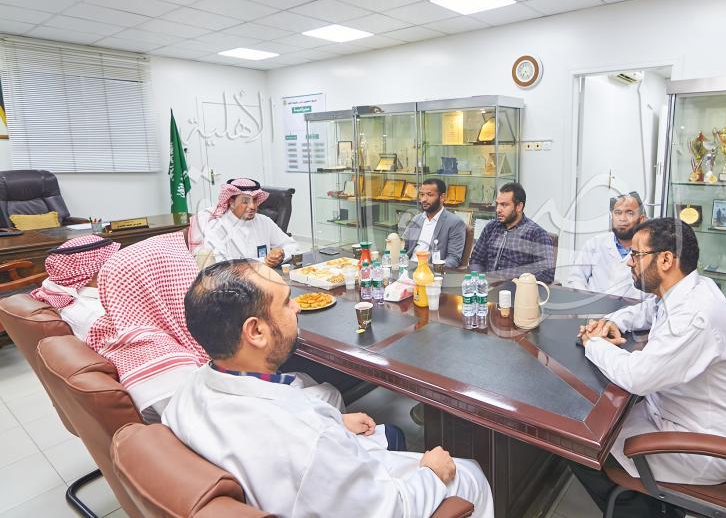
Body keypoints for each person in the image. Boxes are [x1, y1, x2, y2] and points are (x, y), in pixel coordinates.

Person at [164, 260, 494, 518]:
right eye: (286, 302)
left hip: (308, 485)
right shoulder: (310, 439)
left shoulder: (187, 390)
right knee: (471, 474)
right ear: (256, 332)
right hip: (363, 498)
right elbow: (389, 509)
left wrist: (335, 422)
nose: (297, 308)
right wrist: (432, 474)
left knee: (385, 433)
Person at [572, 218, 726, 516]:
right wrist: (613, 322)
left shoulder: (695, 317)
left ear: (666, 260)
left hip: (699, 447)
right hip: (674, 416)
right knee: (593, 425)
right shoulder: (689, 288)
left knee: (579, 445)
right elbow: (647, 310)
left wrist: (593, 343)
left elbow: (636, 377)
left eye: (636, 254)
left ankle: (647, 512)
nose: (629, 261)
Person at [86, 230, 341, 422]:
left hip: (244, 403)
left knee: (305, 378)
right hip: (257, 418)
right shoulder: (157, 360)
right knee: (329, 392)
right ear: (154, 286)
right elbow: (234, 423)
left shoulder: (127, 332)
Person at [30, 235, 120, 341]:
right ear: (90, 274)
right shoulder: (99, 314)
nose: (119, 265)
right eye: (113, 262)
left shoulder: (52, 285)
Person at [193, 178, 298, 268]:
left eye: (255, 200)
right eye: (245, 202)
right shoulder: (216, 227)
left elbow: (291, 245)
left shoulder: (264, 221)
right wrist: (264, 261)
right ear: (232, 203)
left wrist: (280, 256)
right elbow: (221, 264)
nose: (252, 206)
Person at [566, 192, 648, 299]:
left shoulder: (650, 251)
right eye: (617, 213)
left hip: (632, 308)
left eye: (629, 213)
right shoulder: (594, 244)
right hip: (592, 307)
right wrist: (587, 302)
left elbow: (651, 296)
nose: (622, 219)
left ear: (641, 219)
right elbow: (575, 279)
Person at [469, 182, 555, 283]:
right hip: (487, 287)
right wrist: (480, 280)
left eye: (504, 205)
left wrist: (517, 282)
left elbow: (546, 274)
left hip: (517, 289)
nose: (498, 210)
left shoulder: (536, 234)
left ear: (519, 206)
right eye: (497, 204)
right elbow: (476, 260)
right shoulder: (491, 227)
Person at [401, 178, 467, 268]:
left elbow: (453, 259)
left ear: (442, 197)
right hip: (409, 267)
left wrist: (433, 267)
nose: (423, 199)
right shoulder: (416, 219)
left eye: (429, 195)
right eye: (422, 195)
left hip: (431, 270)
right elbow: (405, 247)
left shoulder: (455, 223)